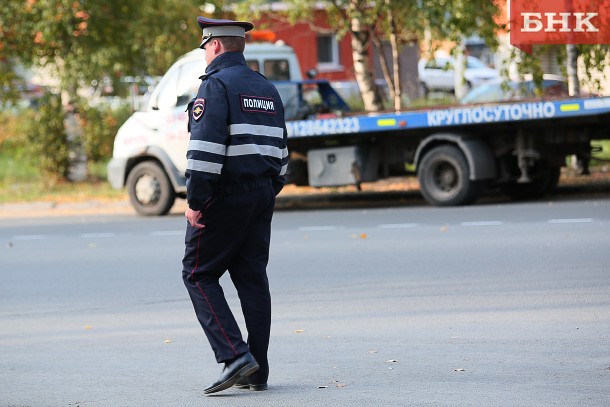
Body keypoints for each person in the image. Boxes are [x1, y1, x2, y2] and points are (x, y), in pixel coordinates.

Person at [182, 16, 288, 395]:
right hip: (261, 193)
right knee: (252, 278)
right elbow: (282, 151)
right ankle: (257, 370)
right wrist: (266, 189)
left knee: (197, 273)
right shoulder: (266, 88)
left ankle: (235, 356)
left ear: (214, 46)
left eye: (205, 48)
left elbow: (204, 152)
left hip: (225, 195)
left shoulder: (215, 87)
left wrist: (196, 201)